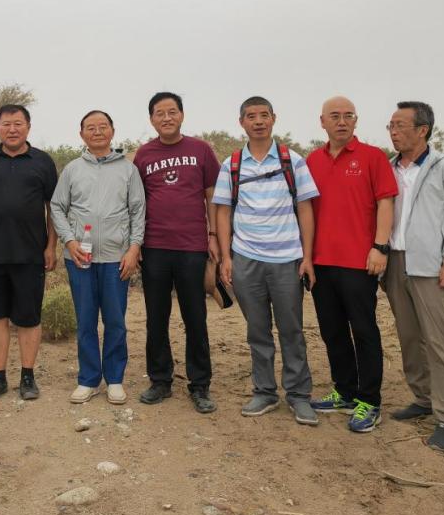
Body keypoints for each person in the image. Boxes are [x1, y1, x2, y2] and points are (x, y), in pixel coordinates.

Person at [215, 96, 320, 426]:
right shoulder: (231, 165)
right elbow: (223, 212)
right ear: (241, 122)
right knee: (257, 331)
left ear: (274, 118)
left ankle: (299, 395)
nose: (258, 121)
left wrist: (308, 257)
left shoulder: (293, 161)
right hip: (246, 259)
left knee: (292, 330)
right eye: (251, 116)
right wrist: (226, 257)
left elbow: (305, 208)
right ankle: (264, 391)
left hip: (288, 259)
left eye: (264, 115)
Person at [383, 100, 444, 452]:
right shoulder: (389, 168)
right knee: (409, 338)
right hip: (396, 263)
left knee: (439, 342)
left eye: (400, 125)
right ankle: (422, 399)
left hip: (432, 267)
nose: (393, 132)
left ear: (422, 130)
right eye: (390, 126)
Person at [306, 96, 397, 433]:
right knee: (332, 331)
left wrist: (380, 247)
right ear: (322, 122)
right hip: (321, 262)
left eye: (348, 116)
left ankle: (369, 400)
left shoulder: (372, 157)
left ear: (356, 120)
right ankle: (344, 392)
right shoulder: (312, 161)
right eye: (335, 116)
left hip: (360, 262)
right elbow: (305, 210)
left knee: (364, 330)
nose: (341, 121)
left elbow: (385, 203)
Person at [132, 92, 221, 414]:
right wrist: (135, 244)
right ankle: (160, 380)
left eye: (172, 111)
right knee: (156, 317)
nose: (166, 118)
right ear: (151, 119)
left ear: (181, 115)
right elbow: (136, 202)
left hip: (192, 247)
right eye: (160, 113)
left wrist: (213, 235)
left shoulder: (201, 150)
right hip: (154, 247)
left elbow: (212, 195)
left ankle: (200, 384)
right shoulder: (143, 155)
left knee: (195, 317)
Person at [50, 110, 144, 405]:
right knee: (86, 321)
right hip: (80, 258)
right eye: (90, 128)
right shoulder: (72, 169)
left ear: (112, 131)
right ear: (81, 134)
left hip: (117, 258)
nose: (97, 132)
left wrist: (134, 248)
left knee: (115, 321)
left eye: (103, 126)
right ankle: (88, 380)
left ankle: (115, 379)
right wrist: (69, 240)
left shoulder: (128, 169)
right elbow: (57, 207)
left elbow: (138, 210)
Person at [0, 104, 58, 402]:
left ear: (28, 127)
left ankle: (28, 376)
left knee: (29, 318)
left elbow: (53, 208)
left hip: (31, 254)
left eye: (18, 123)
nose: (12, 129)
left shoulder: (43, 162)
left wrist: (51, 246)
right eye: (6, 124)